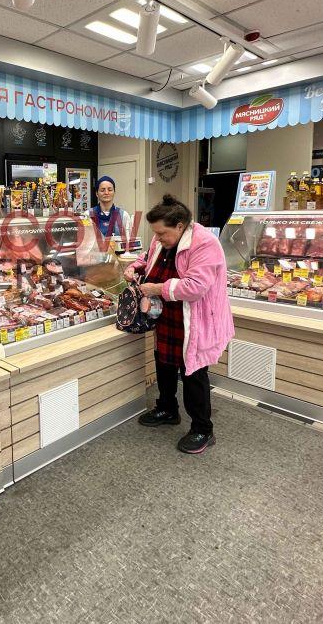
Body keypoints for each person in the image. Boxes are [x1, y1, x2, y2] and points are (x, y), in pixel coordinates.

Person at [124, 195, 234, 454]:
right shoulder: (162, 238)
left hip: (195, 319)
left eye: (162, 233)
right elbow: (149, 256)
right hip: (167, 316)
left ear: (180, 226)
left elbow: (195, 287)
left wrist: (157, 288)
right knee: (163, 363)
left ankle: (203, 429)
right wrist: (136, 267)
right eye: (155, 233)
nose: (157, 238)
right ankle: (167, 408)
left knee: (193, 373)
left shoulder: (205, 243)